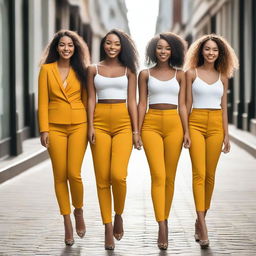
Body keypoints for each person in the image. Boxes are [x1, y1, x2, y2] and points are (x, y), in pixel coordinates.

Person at [87, 29, 140, 250]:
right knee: (102, 178)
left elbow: (132, 102)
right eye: (108, 43)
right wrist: (89, 125)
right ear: (103, 45)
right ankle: (108, 226)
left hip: (123, 125)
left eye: (116, 44)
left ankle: (118, 213)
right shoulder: (93, 69)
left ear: (122, 47)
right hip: (99, 123)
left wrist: (136, 131)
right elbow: (90, 99)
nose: (112, 47)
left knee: (118, 175)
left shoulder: (129, 71)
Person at [184, 34, 239, 249]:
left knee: (210, 175)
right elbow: (187, 104)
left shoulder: (223, 77)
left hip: (216, 124)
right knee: (198, 173)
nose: (211, 53)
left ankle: (200, 219)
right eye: (207, 49)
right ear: (201, 51)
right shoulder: (191, 74)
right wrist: (186, 131)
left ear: (220, 53)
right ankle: (204, 226)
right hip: (196, 122)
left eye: (215, 50)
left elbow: (224, 107)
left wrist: (227, 134)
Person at [138, 32, 190, 250]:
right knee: (157, 175)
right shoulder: (145, 74)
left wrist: (186, 132)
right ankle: (161, 225)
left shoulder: (181, 75)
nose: (163, 51)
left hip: (174, 125)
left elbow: (184, 106)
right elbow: (141, 103)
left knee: (169, 178)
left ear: (173, 51)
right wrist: (136, 131)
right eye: (159, 47)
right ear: (153, 50)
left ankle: (165, 218)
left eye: (167, 48)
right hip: (150, 124)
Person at [38, 30, 90, 246]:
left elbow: (88, 101)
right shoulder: (46, 70)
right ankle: (67, 222)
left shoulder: (82, 70)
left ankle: (78, 210)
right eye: (62, 45)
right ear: (56, 48)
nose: (66, 48)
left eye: (70, 45)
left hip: (79, 125)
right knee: (60, 175)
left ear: (75, 48)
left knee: (73, 174)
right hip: (55, 127)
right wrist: (44, 130)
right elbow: (42, 101)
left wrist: (91, 128)